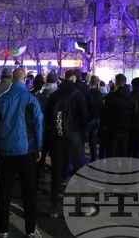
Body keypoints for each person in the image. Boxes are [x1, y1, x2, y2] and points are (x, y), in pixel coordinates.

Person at [0, 67, 43, 238]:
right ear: (24, 80)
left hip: (6, 149)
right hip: (26, 148)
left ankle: (3, 230)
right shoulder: (30, 99)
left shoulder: (1, 99)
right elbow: (38, 125)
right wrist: (39, 147)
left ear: (13, 79)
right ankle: (30, 229)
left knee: (4, 191)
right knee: (28, 190)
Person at [45, 69, 88, 217]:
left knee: (56, 171)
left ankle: (54, 207)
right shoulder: (78, 94)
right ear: (74, 79)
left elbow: (48, 115)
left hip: (57, 136)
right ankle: (84, 206)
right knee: (80, 168)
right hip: (73, 135)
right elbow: (84, 116)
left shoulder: (55, 94)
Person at [101, 74, 134, 158]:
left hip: (113, 127)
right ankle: (124, 170)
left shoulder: (111, 96)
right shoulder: (130, 96)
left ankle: (111, 170)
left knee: (111, 151)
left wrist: (104, 125)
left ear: (115, 82)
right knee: (123, 151)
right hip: (126, 127)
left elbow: (105, 112)